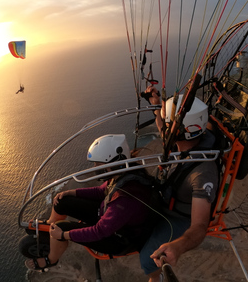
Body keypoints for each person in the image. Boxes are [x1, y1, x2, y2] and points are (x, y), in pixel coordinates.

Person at [25, 134, 155, 271]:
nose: (96, 168)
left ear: (113, 162)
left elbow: (99, 231)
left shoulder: (124, 199)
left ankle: (51, 259)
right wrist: (71, 192)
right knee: (62, 202)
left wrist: (63, 235)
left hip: (119, 239)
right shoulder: (123, 173)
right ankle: (50, 229)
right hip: (108, 217)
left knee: (61, 227)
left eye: (99, 164)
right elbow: (102, 191)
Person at [140, 86, 219, 282]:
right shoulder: (185, 142)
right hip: (167, 200)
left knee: (147, 259)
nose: (165, 129)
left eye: (170, 126)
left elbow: (200, 225)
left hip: (179, 217)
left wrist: (178, 246)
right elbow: (163, 127)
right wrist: (156, 105)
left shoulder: (202, 173)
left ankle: (154, 278)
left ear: (180, 131)